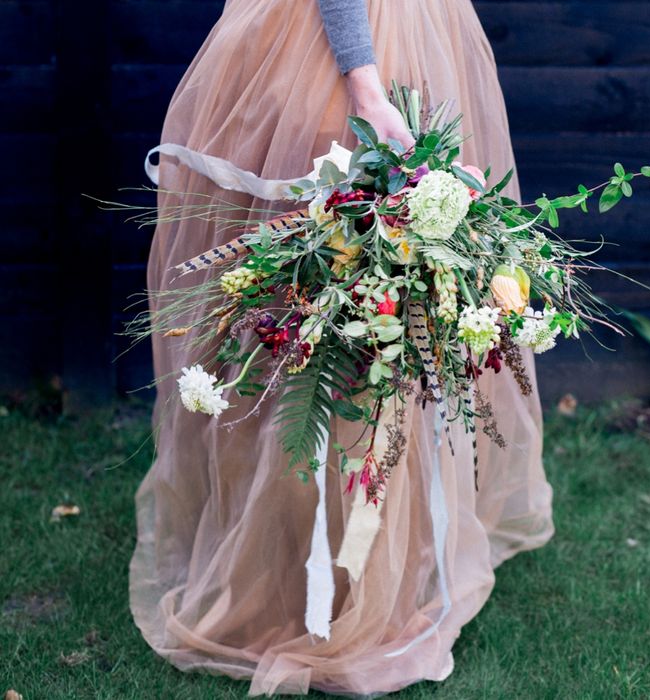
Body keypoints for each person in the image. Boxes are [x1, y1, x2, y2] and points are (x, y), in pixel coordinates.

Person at [129, 0, 555, 696]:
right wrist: (366, 85)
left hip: (406, 32)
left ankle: (350, 566)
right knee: (331, 311)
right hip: (339, 50)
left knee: (371, 312)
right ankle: (304, 577)